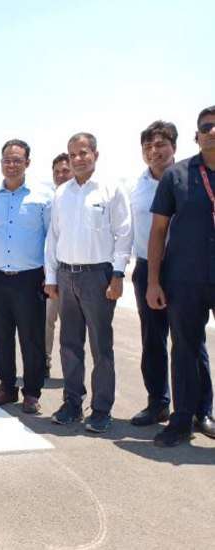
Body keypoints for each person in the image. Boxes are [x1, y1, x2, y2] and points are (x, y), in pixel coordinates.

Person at [44, 132, 132, 433]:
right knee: (69, 345)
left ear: (95, 154)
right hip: (66, 275)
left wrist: (118, 275)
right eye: (73, 154)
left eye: (83, 153)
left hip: (98, 276)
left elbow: (124, 234)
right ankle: (72, 403)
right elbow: (53, 237)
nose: (78, 159)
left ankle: (101, 409)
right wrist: (51, 277)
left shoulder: (111, 189)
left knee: (100, 347)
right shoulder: (61, 193)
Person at [146, 105, 215, 446]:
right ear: (196, 134)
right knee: (185, 348)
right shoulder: (178, 176)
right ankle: (183, 419)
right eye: (206, 126)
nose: (212, 131)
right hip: (184, 279)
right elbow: (158, 231)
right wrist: (154, 282)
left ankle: (205, 412)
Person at [0, 140, 52, 415]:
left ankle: (32, 392)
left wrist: (50, 274)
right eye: (7, 160)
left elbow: (50, 239)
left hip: (30, 278)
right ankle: (7, 387)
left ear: (27, 163)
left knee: (32, 337)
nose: (11, 165)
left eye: (17, 160)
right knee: (0, 336)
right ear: (1, 163)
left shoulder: (42, 197)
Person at [129, 121, 185, 427]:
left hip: (184, 271)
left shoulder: (189, 179)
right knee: (152, 340)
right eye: (148, 146)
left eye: (161, 144)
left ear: (174, 147)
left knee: (187, 341)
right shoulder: (136, 186)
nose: (154, 151)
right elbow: (128, 230)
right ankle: (158, 402)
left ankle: (199, 409)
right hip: (145, 270)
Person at [45, 153, 73, 376]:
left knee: (72, 328)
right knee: (47, 321)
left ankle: (71, 373)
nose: (61, 175)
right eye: (57, 172)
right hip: (49, 273)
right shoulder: (49, 200)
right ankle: (44, 363)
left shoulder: (80, 198)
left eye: (66, 170)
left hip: (75, 273)